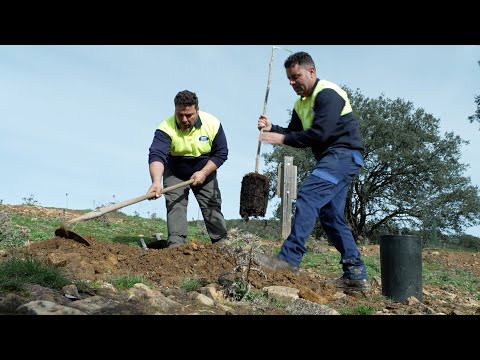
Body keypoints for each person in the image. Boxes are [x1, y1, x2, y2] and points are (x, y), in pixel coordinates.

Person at [255, 51, 370, 291]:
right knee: (330, 215)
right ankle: (355, 274)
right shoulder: (300, 104)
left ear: (311, 71)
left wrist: (280, 137)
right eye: (289, 78)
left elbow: (321, 134)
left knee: (307, 195)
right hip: (333, 159)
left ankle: (288, 259)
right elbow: (297, 136)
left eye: (296, 76)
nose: (292, 83)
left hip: (343, 154)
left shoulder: (328, 93)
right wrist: (272, 127)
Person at [147, 90, 229, 248]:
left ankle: (221, 244)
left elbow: (221, 153)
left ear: (197, 110)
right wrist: (156, 181)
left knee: (211, 204)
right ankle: (176, 246)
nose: (184, 119)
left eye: (189, 115)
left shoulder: (212, 123)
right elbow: (157, 155)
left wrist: (204, 172)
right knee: (175, 204)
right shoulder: (165, 128)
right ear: (175, 111)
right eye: (180, 115)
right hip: (175, 171)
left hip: (204, 169)